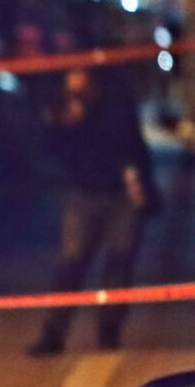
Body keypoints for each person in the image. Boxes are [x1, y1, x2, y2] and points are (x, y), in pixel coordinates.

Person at [29, 68, 157, 355]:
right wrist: (61, 125)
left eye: (79, 80)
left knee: (118, 266)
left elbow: (128, 145)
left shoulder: (115, 105)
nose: (74, 87)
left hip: (120, 196)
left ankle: (108, 333)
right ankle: (53, 334)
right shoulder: (66, 108)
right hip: (83, 196)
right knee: (71, 265)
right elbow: (52, 152)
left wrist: (143, 189)